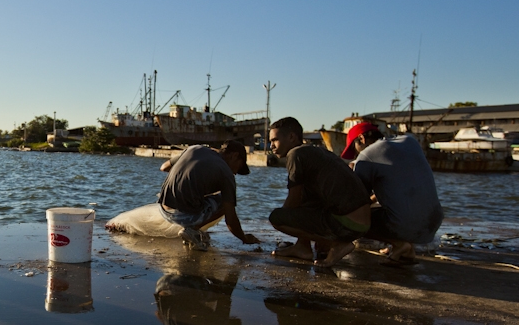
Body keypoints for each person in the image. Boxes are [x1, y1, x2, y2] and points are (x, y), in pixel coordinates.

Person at [267, 116, 371, 267]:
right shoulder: (315, 152)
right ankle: (303, 247)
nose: (271, 146)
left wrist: (286, 221)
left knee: (277, 217)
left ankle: (336, 244)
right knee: (306, 198)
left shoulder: (295, 154)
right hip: (361, 223)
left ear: (291, 137)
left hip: (346, 223)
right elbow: (307, 200)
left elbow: (293, 199)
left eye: (274, 140)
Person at [341, 122, 443, 265]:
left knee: (353, 219)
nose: (357, 153)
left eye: (354, 147)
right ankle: (406, 248)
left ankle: (401, 244)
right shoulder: (410, 142)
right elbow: (399, 187)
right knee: (400, 206)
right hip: (433, 222)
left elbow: (357, 201)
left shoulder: (367, 156)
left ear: (362, 139)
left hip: (407, 225)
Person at [157, 140, 260, 250]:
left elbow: (164, 167)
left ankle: (191, 229)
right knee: (224, 202)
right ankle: (192, 229)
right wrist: (244, 238)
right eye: (239, 168)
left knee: (203, 197)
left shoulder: (195, 149)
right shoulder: (226, 174)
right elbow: (230, 218)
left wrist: (188, 179)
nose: (235, 173)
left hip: (163, 208)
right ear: (234, 155)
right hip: (183, 216)